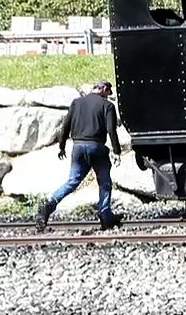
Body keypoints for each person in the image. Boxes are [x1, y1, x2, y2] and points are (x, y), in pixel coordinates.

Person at [35, 80, 124, 231]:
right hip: (97, 147)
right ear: (103, 89)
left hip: (78, 148)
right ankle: (105, 215)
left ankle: (48, 206)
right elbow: (111, 130)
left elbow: (66, 126)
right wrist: (116, 150)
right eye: (108, 92)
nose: (108, 96)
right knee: (105, 182)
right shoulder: (108, 106)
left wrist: (62, 146)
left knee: (72, 181)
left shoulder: (76, 103)